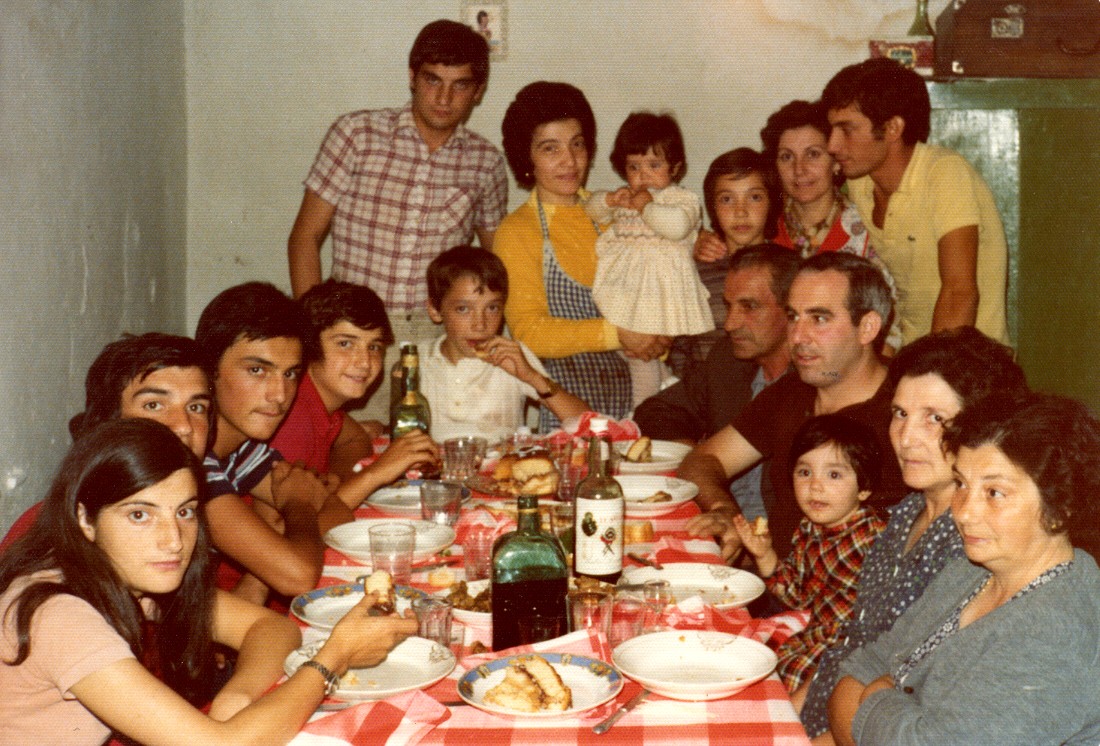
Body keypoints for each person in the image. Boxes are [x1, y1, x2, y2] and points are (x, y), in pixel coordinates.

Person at [0, 419, 417, 746]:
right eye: (139, 515)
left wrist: (236, 696)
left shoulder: (128, 573)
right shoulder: (58, 615)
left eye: (184, 511)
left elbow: (271, 628)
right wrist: (335, 656)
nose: (173, 540)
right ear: (85, 519)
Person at [828, 391, 1100, 745]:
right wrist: (881, 708)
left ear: (1060, 505)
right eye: (961, 484)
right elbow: (858, 669)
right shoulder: (971, 571)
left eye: (994, 493)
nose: (964, 512)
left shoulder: (1055, 630)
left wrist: (875, 696)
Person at [800, 326, 1026, 741]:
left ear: (979, 429)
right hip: (827, 708)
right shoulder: (905, 512)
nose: (906, 437)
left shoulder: (974, 544)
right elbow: (855, 641)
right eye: (900, 413)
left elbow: (915, 694)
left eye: (934, 419)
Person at [288, 19, 508, 422]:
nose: (443, 97)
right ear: (412, 77)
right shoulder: (357, 135)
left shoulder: (486, 163)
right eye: (432, 80)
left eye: (460, 85)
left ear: (478, 93)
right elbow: (305, 236)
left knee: (432, 453)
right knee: (348, 451)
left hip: (438, 336)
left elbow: (496, 261)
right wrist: (313, 332)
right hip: (356, 333)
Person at [680, 252, 907, 559]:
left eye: (819, 318)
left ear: (867, 327)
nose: (797, 337)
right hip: (778, 588)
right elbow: (703, 461)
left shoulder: (908, 411)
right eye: (793, 317)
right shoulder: (794, 389)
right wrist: (723, 512)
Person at [494, 81, 669, 430]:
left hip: (639, 405)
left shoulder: (619, 213)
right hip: (564, 413)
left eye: (577, 145)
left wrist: (661, 336)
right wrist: (618, 334)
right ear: (525, 157)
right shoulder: (517, 231)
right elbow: (529, 332)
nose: (569, 161)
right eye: (550, 149)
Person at [822, 58, 1009, 346]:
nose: (832, 145)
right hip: (912, 353)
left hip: (969, 363)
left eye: (847, 129)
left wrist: (928, 381)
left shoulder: (944, 173)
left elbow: (959, 292)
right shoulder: (860, 179)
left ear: (893, 128)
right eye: (832, 129)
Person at [196, 282, 348, 608]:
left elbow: (337, 512)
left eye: (290, 373)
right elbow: (298, 575)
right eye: (257, 370)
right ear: (209, 371)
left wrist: (261, 573)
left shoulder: (243, 449)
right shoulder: (191, 462)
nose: (279, 395)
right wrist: (298, 507)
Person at [2, 333, 214, 552]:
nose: (184, 426)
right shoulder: (54, 532)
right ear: (109, 423)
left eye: (196, 407)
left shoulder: (203, 507)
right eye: (154, 405)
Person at [634, 244, 798, 520]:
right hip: (723, 524)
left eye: (749, 307)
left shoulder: (812, 383)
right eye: (728, 305)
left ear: (792, 309)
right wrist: (696, 454)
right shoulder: (728, 361)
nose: (730, 323)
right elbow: (657, 411)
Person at [735, 415, 886, 702]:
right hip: (815, 632)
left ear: (864, 487)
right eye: (804, 472)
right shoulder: (809, 528)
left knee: (782, 674)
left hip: (850, 646)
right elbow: (799, 596)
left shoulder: (873, 538)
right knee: (751, 655)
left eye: (834, 475)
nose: (815, 486)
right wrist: (765, 554)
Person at [271, 279, 439, 506]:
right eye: (345, 344)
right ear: (308, 344)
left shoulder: (325, 402)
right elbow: (287, 529)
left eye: (374, 347)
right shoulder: (292, 414)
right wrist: (376, 473)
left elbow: (356, 439)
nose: (364, 362)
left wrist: (334, 487)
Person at [584, 112, 713, 405]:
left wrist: (647, 208)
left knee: (640, 358)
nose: (643, 175)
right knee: (625, 347)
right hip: (626, 290)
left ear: (675, 167)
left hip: (658, 293)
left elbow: (678, 227)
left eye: (654, 165)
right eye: (634, 166)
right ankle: (664, 380)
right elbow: (592, 210)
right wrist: (608, 200)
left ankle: (644, 411)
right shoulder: (628, 197)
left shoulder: (681, 199)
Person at [759, 100, 902, 354]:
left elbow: (887, 334)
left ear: (836, 162)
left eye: (813, 154)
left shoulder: (866, 229)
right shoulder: (763, 230)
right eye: (786, 157)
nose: (799, 170)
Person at [419, 245, 588, 441]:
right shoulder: (416, 359)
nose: (480, 325)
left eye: (492, 308)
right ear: (435, 310)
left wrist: (533, 377)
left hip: (500, 467)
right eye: (463, 309)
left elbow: (589, 424)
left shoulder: (512, 355)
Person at [672, 148, 779, 376]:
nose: (741, 212)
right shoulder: (695, 272)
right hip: (705, 394)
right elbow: (681, 347)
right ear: (713, 207)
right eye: (727, 199)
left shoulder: (788, 269)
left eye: (755, 197)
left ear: (771, 202)